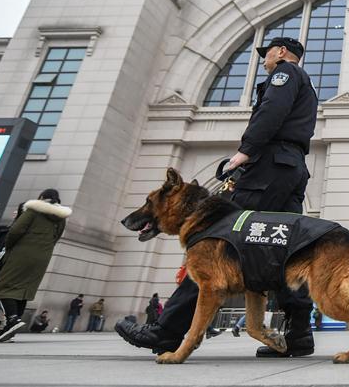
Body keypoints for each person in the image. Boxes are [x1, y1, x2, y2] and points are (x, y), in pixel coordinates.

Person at [116, 37, 319, 358]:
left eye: (266, 54)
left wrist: (244, 153)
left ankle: (165, 332)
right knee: (286, 252)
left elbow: (272, 111)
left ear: (281, 53)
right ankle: (298, 334)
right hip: (291, 168)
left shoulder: (285, 74)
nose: (263, 60)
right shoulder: (304, 83)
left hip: (268, 166)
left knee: (213, 244)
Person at [0, 190, 70, 343]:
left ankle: (12, 319)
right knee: (24, 289)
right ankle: (9, 328)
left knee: (4, 286)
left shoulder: (33, 210)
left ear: (41, 197)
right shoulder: (61, 217)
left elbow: (15, 231)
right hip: (42, 256)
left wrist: (11, 247)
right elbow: (56, 237)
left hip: (22, 252)